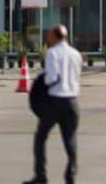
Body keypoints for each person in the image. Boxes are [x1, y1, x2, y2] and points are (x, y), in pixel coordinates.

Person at [26, 24, 81, 184]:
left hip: (55, 103)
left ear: (55, 36)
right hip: (72, 102)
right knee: (70, 139)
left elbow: (52, 78)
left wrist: (40, 83)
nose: (48, 38)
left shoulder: (52, 53)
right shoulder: (76, 54)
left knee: (40, 138)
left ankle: (41, 175)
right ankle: (71, 175)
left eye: (49, 35)